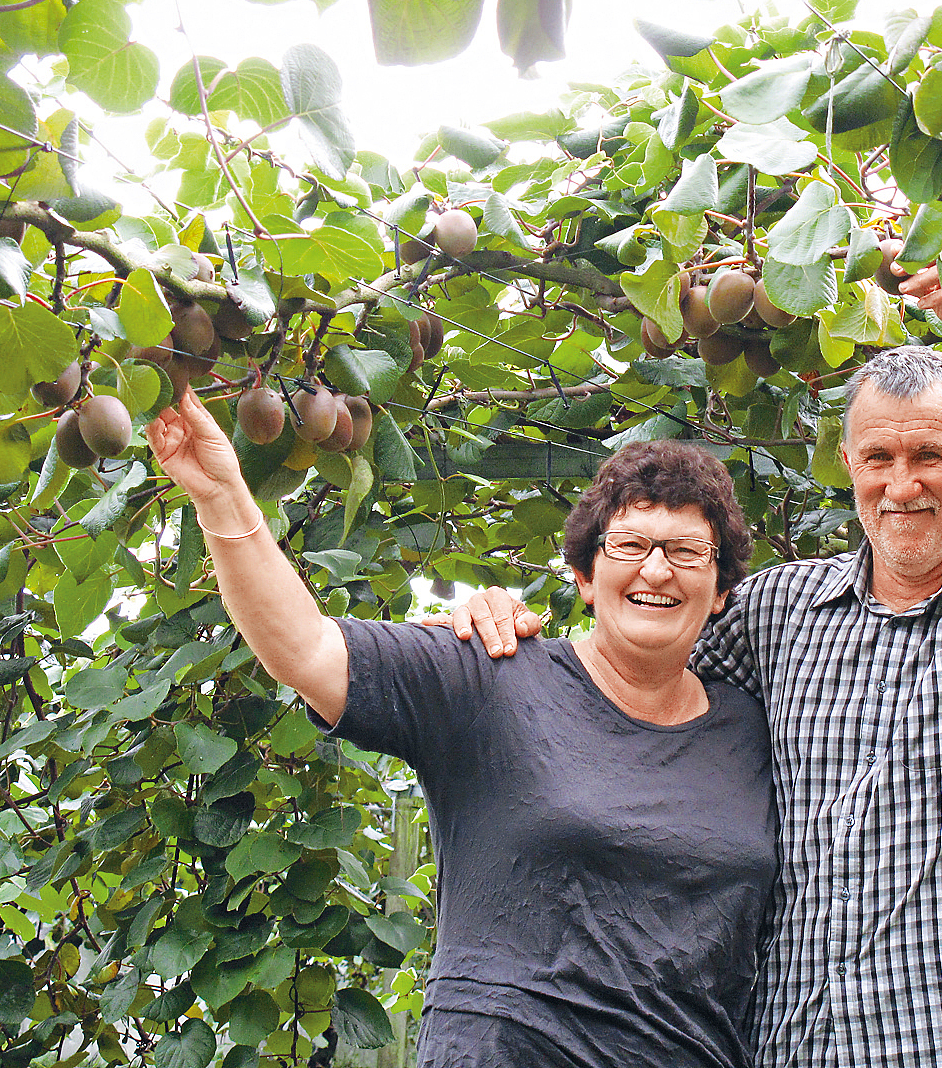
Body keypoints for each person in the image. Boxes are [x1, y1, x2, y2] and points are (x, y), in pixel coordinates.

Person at [441, 246, 942, 1068]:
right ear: (849, 464)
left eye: (929, 456)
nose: (903, 484)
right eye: (878, 458)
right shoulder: (779, 611)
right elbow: (635, 664)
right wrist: (508, 627)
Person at [147, 390, 778, 1068]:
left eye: (687, 551)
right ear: (585, 576)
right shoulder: (492, 676)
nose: (656, 569)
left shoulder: (753, 725)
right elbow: (304, 649)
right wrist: (220, 494)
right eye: (630, 543)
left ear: (720, 592)